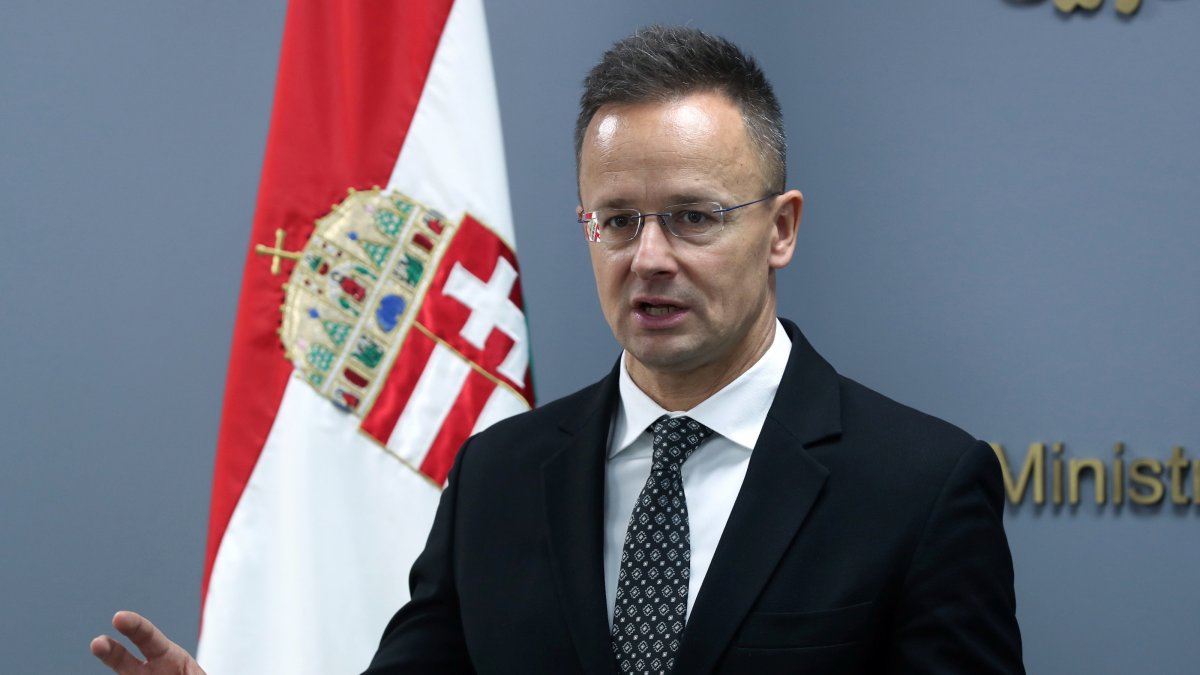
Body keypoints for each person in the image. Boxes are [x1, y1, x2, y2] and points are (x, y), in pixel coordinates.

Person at [92, 25, 1024, 675]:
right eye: (617, 221)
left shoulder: (921, 485)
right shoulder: (497, 474)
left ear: (780, 229)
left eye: (693, 218)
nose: (649, 258)